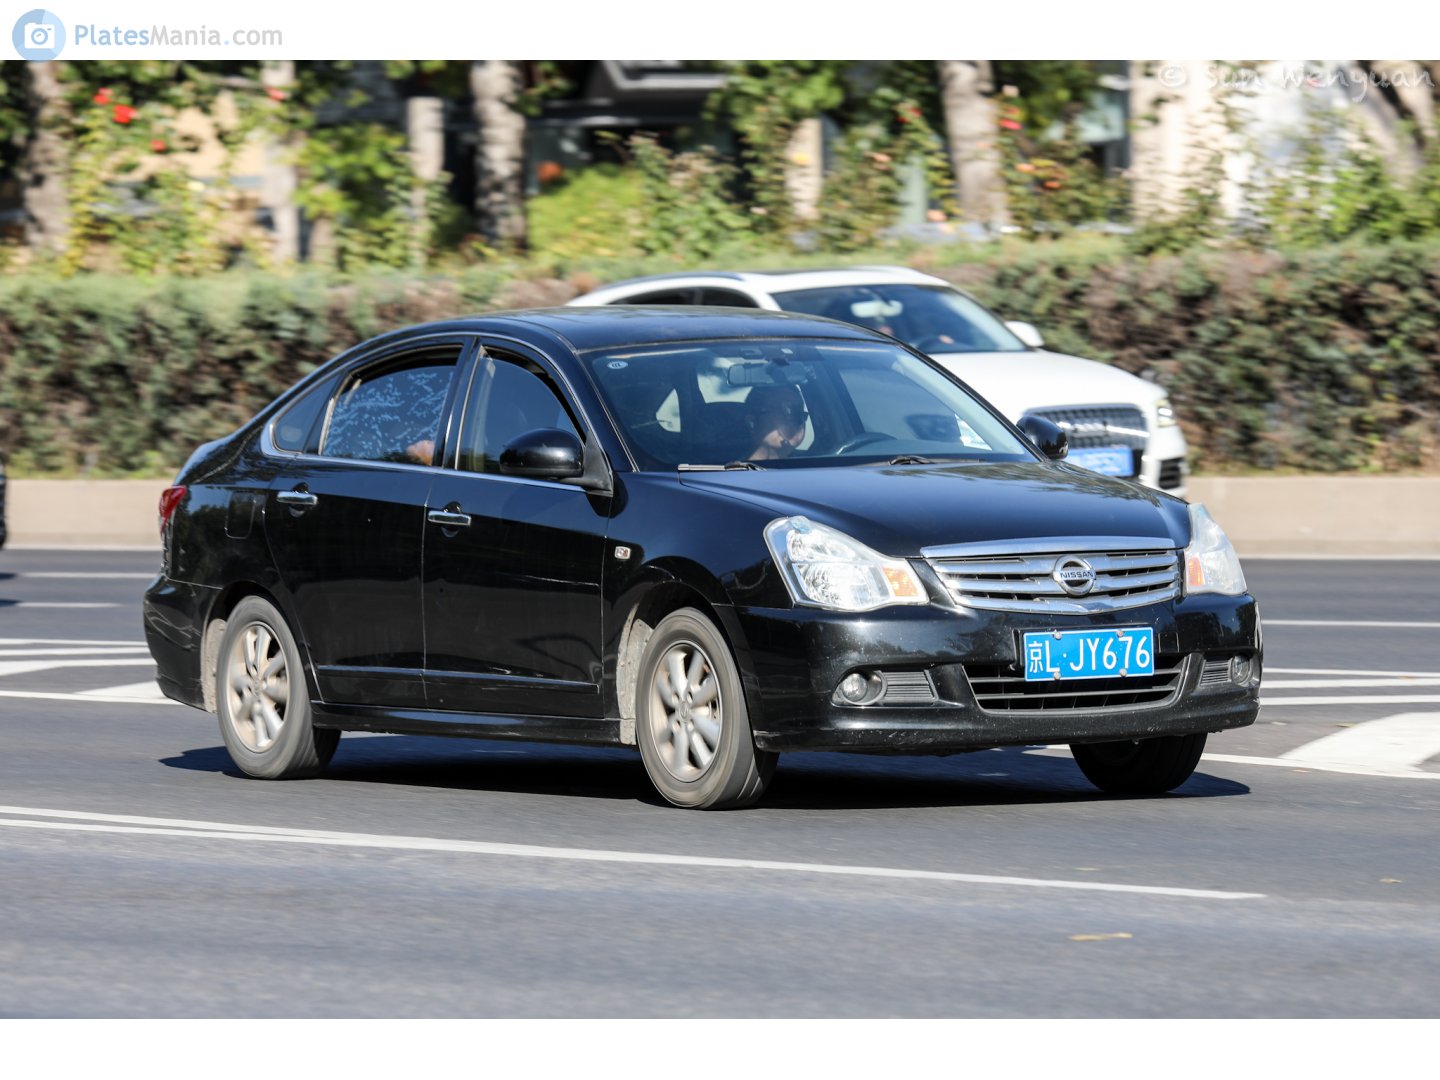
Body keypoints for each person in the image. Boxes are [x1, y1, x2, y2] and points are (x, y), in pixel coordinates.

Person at [744, 384, 808, 461]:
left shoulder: (815, 465)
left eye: (798, 411)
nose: (794, 417)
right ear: (752, 423)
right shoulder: (733, 470)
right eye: (784, 410)